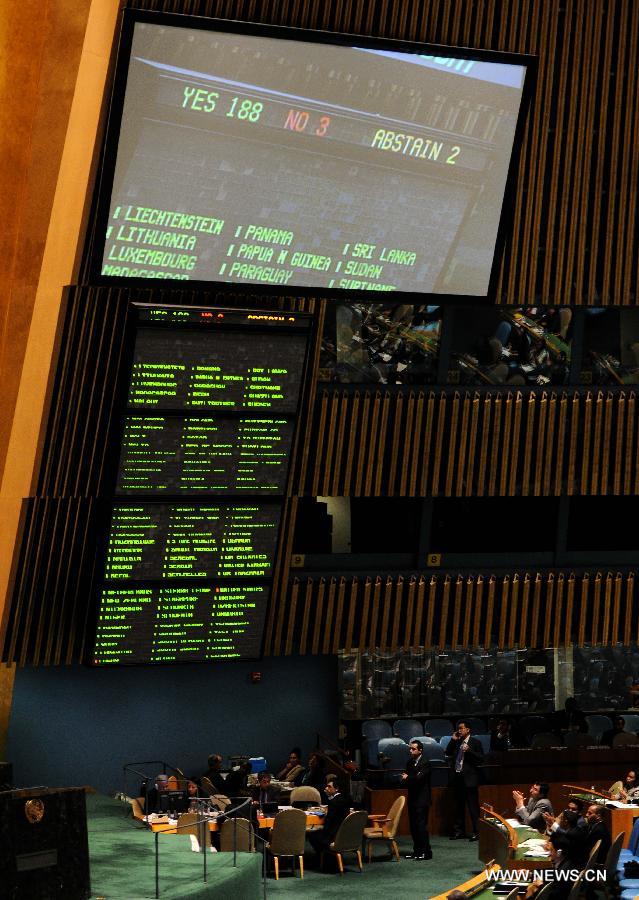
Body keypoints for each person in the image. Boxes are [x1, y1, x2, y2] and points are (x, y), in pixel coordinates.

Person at [445, 720, 484, 841]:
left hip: (470, 779)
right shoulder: (457, 742)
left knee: (473, 807)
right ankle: (459, 831)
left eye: (461, 728)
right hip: (457, 778)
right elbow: (448, 752)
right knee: (458, 806)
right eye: (458, 728)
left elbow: (481, 758)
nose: (459, 730)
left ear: (468, 730)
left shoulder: (475, 742)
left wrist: (470, 751)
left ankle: (477, 832)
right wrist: (453, 739)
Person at [307, 774, 352, 861]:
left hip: (333, 835)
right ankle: (324, 856)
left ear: (337, 789)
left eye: (329, 787)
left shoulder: (335, 802)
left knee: (311, 834)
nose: (326, 788)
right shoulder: (342, 799)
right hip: (343, 833)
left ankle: (323, 856)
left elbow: (329, 821)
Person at [401, 739, 432, 860]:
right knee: (413, 826)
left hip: (422, 800)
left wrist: (408, 778)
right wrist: (408, 778)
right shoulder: (409, 763)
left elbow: (419, 779)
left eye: (413, 748)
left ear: (420, 750)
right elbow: (410, 780)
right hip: (412, 799)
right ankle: (417, 851)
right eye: (410, 748)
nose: (410, 750)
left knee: (421, 827)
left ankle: (426, 852)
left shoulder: (426, 762)